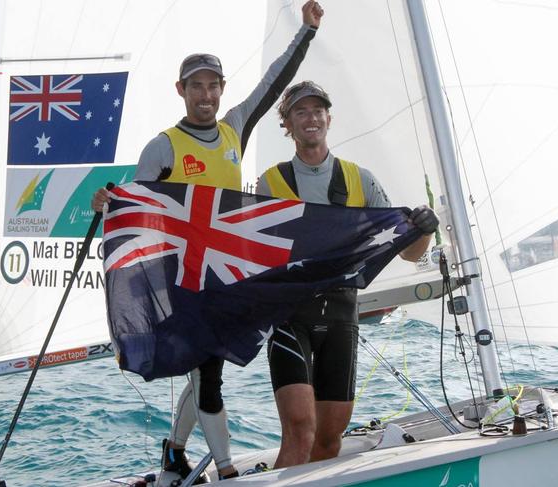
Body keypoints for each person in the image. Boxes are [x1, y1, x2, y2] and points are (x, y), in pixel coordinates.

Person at [92, 2, 325, 481]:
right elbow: (136, 208)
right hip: (181, 279)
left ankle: (175, 450)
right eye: (195, 85)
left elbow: (274, 83)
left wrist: (306, 32)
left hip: (226, 272)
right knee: (209, 374)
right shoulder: (163, 146)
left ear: (221, 90)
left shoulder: (234, 127)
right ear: (181, 91)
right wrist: (108, 204)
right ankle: (225, 469)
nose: (205, 94)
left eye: (212, 85)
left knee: (206, 364)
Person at [255, 81, 439, 468]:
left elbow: (409, 252)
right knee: (301, 429)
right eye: (301, 111)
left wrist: (424, 229)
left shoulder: (361, 179)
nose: (311, 118)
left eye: (317, 110)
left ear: (329, 118)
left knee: (328, 437)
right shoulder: (271, 182)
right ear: (287, 123)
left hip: (341, 314)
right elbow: (257, 254)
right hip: (291, 315)